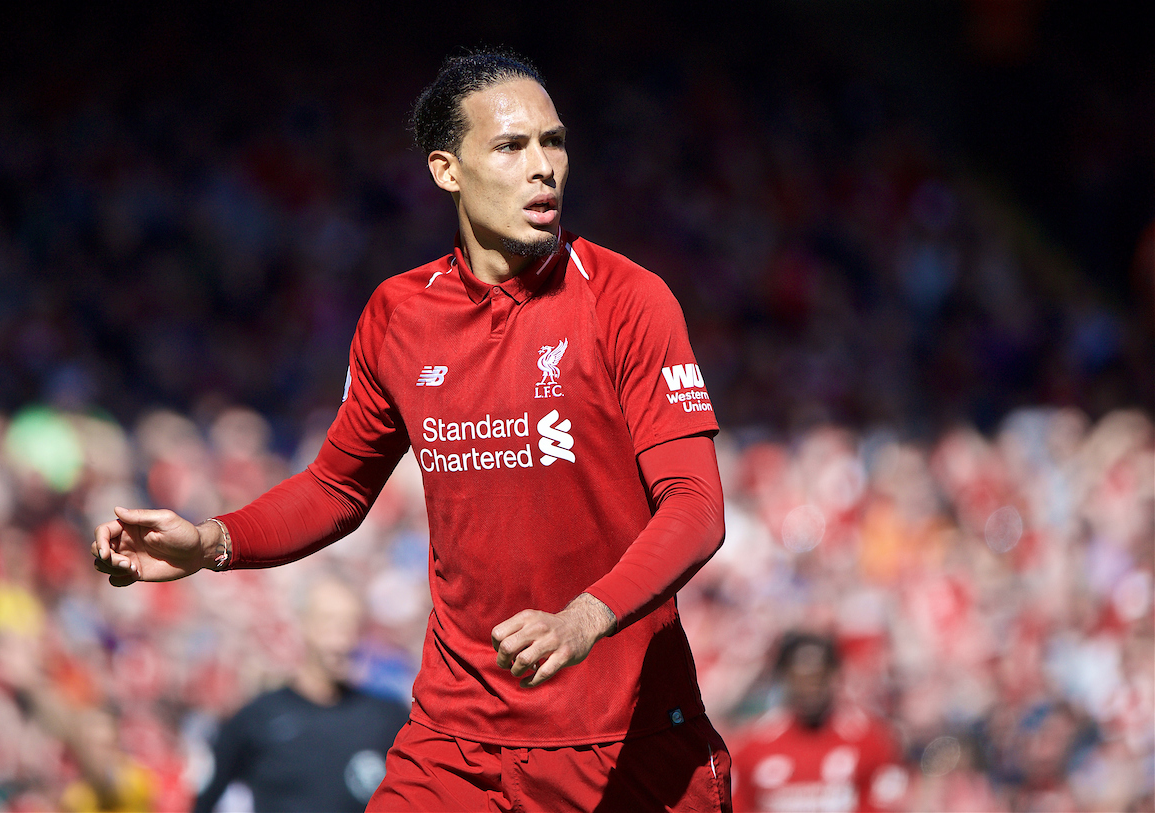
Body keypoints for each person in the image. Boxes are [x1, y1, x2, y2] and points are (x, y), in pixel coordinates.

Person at [93, 48, 730, 812]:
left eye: (553, 142)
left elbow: (696, 505)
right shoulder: (400, 314)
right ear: (446, 170)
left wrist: (585, 615)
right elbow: (335, 487)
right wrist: (209, 542)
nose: (543, 167)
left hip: (623, 740)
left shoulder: (627, 299)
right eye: (510, 145)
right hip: (455, 742)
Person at [193, 579, 410, 812]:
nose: (342, 638)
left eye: (351, 624)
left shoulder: (389, 717)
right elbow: (205, 799)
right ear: (302, 624)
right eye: (329, 622)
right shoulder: (257, 718)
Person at [729, 632, 909, 812]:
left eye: (817, 679)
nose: (810, 690)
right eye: (801, 680)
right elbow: (736, 805)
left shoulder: (870, 740)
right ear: (785, 679)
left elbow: (885, 804)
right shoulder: (754, 742)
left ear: (834, 675)